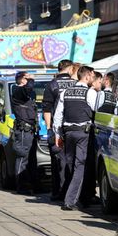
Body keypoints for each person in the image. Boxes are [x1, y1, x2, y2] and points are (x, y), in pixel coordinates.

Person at [52, 65, 102, 211]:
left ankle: (78, 196)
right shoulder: (90, 92)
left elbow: (58, 115)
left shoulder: (66, 92)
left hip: (68, 133)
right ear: (86, 76)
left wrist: (57, 135)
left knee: (71, 165)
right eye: (92, 75)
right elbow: (97, 108)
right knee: (80, 166)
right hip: (82, 133)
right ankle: (70, 201)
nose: (93, 78)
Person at [42, 60, 76, 201]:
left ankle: (58, 192)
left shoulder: (52, 85)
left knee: (57, 162)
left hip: (58, 129)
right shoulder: (75, 84)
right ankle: (71, 192)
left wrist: (49, 128)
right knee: (72, 161)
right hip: (73, 127)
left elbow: (47, 109)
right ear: (70, 69)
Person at [10, 72, 38, 194]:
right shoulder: (18, 90)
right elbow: (28, 88)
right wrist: (31, 79)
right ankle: (21, 186)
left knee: (31, 159)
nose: (30, 80)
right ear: (22, 80)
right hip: (23, 130)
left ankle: (32, 184)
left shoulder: (27, 93)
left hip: (31, 129)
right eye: (27, 78)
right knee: (22, 156)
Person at [79, 71, 103, 206]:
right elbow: (96, 108)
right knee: (89, 163)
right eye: (99, 81)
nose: (101, 84)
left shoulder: (91, 92)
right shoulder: (92, 93)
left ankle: (88, 193)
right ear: (94, 81)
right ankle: (88, 195)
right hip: (89, 131)